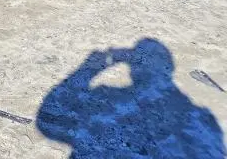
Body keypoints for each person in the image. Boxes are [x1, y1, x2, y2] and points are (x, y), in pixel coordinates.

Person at [37, 38, 224, 158]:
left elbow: (48, 121)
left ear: (133, 68)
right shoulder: (200, 119)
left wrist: (90, 68)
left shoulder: (104, 100)